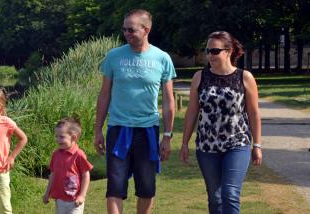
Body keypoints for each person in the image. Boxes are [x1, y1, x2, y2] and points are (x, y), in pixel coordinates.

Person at [93, 9, 176, 214]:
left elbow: (168, 100)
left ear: (146, 29)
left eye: (131, 29)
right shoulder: (114, 56)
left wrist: (167, 136)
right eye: (124, 30)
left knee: (146, 187)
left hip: (147, 129)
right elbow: (104, 95)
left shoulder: (162, 58)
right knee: (115, 185)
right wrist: (97, 130)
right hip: (118, 128)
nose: (127, 34)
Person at [179, 31, 262, 214]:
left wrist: (257, 144)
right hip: (207, 146)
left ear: (229, 51)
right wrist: (184, 143)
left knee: (230, 193)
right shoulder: (199, 77)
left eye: (215, 51)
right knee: (215, 198)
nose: (210, 55)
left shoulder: (244, 77)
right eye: (208, 50)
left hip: (237, 143)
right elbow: (192, 111)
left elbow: (254, 113)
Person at [43, 117, 94, 214]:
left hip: (74, 200)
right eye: (56, 136)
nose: (58, 139)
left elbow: (85, 175)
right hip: (59, 199)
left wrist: (82, 195)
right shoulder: (56, 154)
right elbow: (52, 175)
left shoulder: (78, 154)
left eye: (61, 137)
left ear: (73, 137)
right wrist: (47, 193)